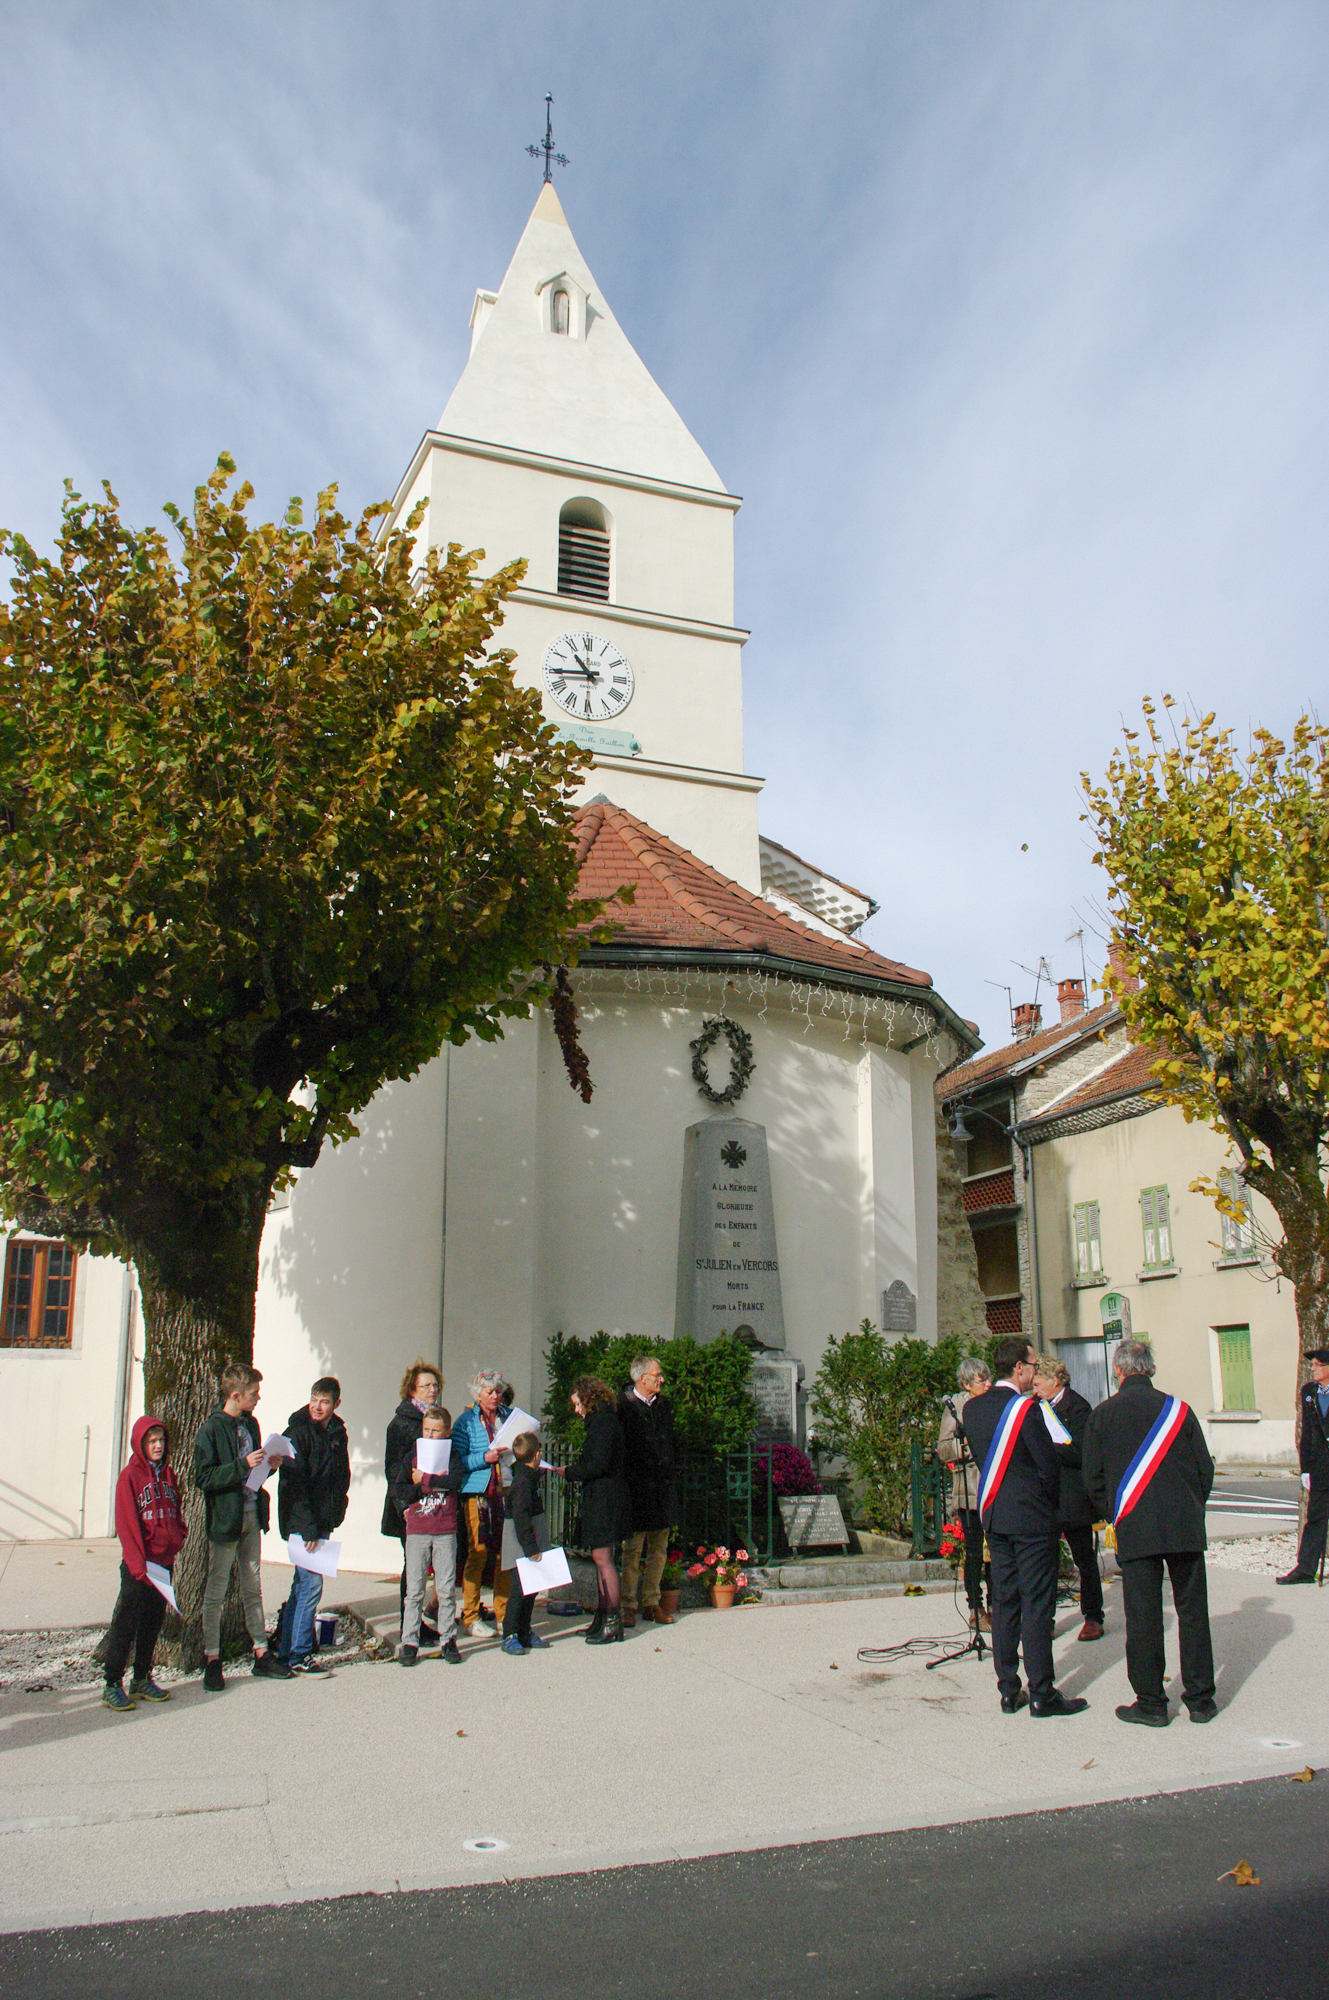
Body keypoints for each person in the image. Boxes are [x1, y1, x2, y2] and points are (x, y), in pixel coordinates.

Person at [1082, 1338, 1217, 1727]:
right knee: (1193, 1611)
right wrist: (1191, 1508)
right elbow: (1204, 1471)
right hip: (1184, 1525)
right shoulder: (1180, 1410)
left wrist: (1118, 1512)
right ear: (1151, 1369)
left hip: (1134, 1525)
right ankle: (1201, 1699)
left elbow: (1093, 1480)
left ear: (1118, 1371)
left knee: (1143, 1614)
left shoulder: (1103, 1414)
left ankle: (1152, 1702)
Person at [960, 1335, 1087, 1719]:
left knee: (1005, 1601)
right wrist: (1047, 1505)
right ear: (1018, 1368)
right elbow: (1047, 1467)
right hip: (1031, 1518)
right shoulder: (1027, 1410)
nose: (1035, 1373)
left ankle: (1007, 1689)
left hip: (995, 1514)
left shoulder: (973, 1410)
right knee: (1036, 1603)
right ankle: (1042, 1693)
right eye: (1032, 1366)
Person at [194, 1363, 287, 1690]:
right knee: (216, 1589)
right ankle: (212, 1658)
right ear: (235, 1395)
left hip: (250, 1514)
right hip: (225, 1519)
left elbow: (254, 1472)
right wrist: (240, 1465)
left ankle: (261, 1653)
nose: (258, 1398)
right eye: (253, 1394)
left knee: (253, 1584)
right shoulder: (210, 1430)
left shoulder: (251, 1424)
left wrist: (269, 1466)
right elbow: (203, 1478)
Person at [103, 1416, 187, 1712]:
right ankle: (112, 1683)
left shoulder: (168, 1474)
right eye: (151, 1441)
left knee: (153, 1622)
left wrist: (179, 1534)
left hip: (163, 1563)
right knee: (127, 1624)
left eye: (161, 1441)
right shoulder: (129, 1477)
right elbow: (127, 1524)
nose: (157, 1446)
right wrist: (138, 1566)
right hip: (140, 1566)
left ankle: (142, 1677)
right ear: (140, 1444)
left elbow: (175, 1507)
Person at [275, 1377, 351, 1677]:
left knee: (301, 1586)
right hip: (302, 1523)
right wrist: (307, 1528)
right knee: (311, 1586)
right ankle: (300, 1653)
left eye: (325, 1401)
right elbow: (293, 1485)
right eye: (314, 1399)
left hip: (321, 1521)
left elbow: (341, 1473)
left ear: (336, 1404)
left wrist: (338, 1509)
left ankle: (288, 1649)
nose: (318, 1406)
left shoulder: (336, 1432)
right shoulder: (297, 1432)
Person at [1032, 1354, 1106, 1641]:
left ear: (1055, 1381)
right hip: (1046, 1496)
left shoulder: (1078, 1407)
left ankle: (1093, 1616)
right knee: (1046, 1561)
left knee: (1084, 1559)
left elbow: (1081, 1452)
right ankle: (1046, 1619)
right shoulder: (1037, 1407)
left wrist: (1047, 1449)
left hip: (1073, 1494)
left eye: (1038, 1384)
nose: (1035, 1389)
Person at [564, 1376, 633, 1645]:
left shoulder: (603, 1424)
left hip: (606, 1498)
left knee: (603, 1558)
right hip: (603, 1496)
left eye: (577, 1403)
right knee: (600, 1559)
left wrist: (568, 1472)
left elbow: (598, 1464)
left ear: (588, 1399)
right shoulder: (602, 1422)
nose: (576, 1409)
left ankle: (613, 1621)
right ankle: (602, 1617)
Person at [396, 1404, 463, 1666]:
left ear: (446, 1432)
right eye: (427, 1430)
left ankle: (448, 1638)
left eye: (436, 1431)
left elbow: (455, 1482)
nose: (431, 1435)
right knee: (414, 1590)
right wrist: (425, 1485)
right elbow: (401, 1488)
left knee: (446, 1588)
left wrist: (425, 1479)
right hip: (418, 1528)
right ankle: (409, 1641)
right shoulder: (412, 1455)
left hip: (444, 1528)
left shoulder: (453, 1454)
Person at [381, 1360, 443, 1640]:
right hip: (410, 1503)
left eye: (435, 1385)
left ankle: (417, 1622)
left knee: (427, 1563)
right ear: (412, 1390)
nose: (432, 1390)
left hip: (434, 1501)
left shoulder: (436, 1417)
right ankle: (411, 1624)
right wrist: (403, 1505)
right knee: (414, 1566)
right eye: (426, 1386)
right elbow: (393, 1468)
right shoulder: (402, 1422)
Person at [452, 1369, 513, 1635]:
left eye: (498, 1391)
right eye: (489, 1392)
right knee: (477, 1553)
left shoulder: (508, 1417)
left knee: (505, 1554)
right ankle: (471, 1615)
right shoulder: (465, 1422)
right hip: (478, 1493)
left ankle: (503, 1614)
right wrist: (483, 1458)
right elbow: (457, 1461)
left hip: (507, 1489)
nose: (495, 1396)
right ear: (477, 1395)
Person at [617, 1355, 676, 1627]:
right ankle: (628, 1603)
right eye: (657, 1375)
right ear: (642, 1378)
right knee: (633, 1549)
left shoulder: (664, 1405)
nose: (661, 1379)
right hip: (636, 1488)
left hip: (661, 1486)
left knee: (659, 1547)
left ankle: (652, 1601)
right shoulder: (623, 1406)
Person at [935, 1357, 991, 1633]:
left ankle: (998, 1604)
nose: (988, 1384)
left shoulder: (993, 1401)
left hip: (992, 1486)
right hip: (969, 1487)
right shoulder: (955, 1407)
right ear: (967, 1384)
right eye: (982, 1380)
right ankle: (975, 1607)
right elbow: (944, 1448)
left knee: (994, 1550)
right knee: (973, 1551)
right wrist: (968, 1446)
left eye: (988, 1378)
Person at [1277, 1347, 1329, 1585]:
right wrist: (1305, 1468)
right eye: (1313, 1365)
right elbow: (1307, 1433)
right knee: (1316, 1518)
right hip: (1320, 1466)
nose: (1313, 1369)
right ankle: (1306, 1568)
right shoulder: (1310, 1392)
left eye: (1318, 1365)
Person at [501, 1432, 554, 1656]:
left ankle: (524, 1631)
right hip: (522, 1546)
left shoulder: (527, 1477)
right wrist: (531, 1548)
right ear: (537, 1455)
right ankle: (510, 1633)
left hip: (528, 1544)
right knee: (519, 1589)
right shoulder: (523, 1482)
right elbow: (521, 1518)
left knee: (530, 1588)